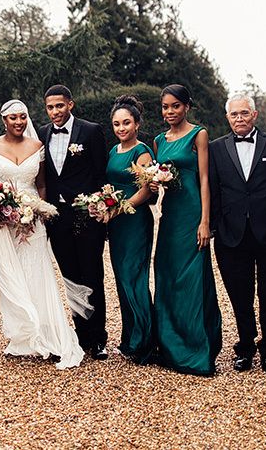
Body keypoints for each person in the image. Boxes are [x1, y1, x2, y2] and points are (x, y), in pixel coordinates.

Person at [0, 100, 84, 369]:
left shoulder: (38, 147)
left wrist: (40, 213)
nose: (18, 122)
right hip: (3, 224)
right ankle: (22, 336)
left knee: (38, 274)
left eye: (23, 117)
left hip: (33, 222)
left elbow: (42, 185)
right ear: (4, 120)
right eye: (13, 118)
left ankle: (47, 334)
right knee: (11, 275)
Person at [210, 94, 266, 375]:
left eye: (244, 113)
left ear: (255, 114)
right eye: (234, 114)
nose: (239, 118)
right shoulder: (216, 149)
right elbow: (212, 191)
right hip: (231, 235)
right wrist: (212, 226)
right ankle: (245, 347)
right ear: (227, 117)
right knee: (240, 295)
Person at [151, 84, 221, 375]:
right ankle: (168, 346)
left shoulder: (199, 134)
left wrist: (205, 221)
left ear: (186, 107)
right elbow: (158, 180)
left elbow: (205, 179)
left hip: (193, 212)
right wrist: (154, 182)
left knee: (192, 277)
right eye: (165, 107)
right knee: (165, 272)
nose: (170, 112)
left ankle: (195, 349)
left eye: (175, 106)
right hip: (170, 214)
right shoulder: (158, 140)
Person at [38, 84, 109, 359]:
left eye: (59, 105)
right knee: (70, 277)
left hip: (86, 215)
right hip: (57, 218)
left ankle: (99, 337)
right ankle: (81, 336)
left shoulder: (90, 131)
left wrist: (101, 209)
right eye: (50, 107)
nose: (55, 111)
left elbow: (101, 174)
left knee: (92, 274)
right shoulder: (42, 134)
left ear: (71, 104)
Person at [105, 95, 154, 363]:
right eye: (116, 124)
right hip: (116, 224)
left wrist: (121, 207)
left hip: (134, 220)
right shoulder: (113, 152)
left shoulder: (142, 151)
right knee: (122, 279)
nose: (121, 128)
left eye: (126, 123)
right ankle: (129, 338)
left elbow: (147, 189)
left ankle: (145, 341)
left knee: (135, 277)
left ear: (136, 124)